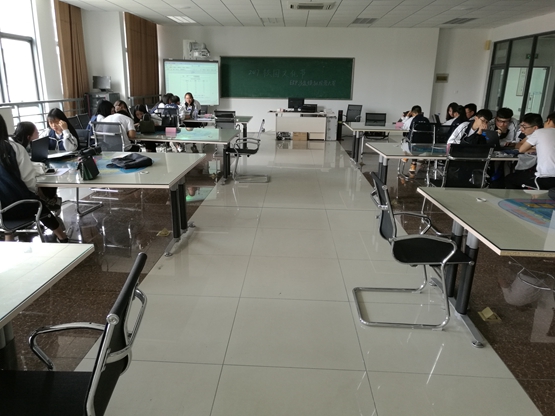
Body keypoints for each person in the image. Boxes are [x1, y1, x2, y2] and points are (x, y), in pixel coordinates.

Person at [0, 115, 69, 242]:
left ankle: (8, 242)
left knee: (7, 213)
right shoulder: (14, 148)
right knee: (39, 204)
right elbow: (29, 182)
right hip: (19, 206)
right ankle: (63, 238)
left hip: (2, 211)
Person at [505, 112, 555, 189]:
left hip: (545, 177)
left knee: (509, 179)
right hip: (549, 178)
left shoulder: (540, 132)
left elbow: (521, 149)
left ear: (549, 120)